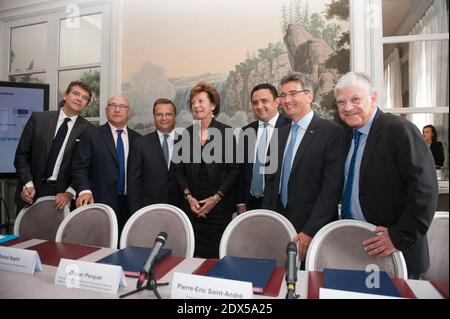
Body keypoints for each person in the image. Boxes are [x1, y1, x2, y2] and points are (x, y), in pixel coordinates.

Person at [335, 71, 438, 278]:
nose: (347, 107)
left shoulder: (399, 130)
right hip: (358, 247)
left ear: (373, 98)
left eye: (355, 99)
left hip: (395, 249)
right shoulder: (347, 136)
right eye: (341, 102)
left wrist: (399, 237)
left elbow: (424, 190)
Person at [263, 72, 346, 262]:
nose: (287, 100)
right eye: (283, 95)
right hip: (281, 225)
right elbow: (271, 181)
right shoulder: (279, 134)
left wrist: (309, 231)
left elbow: (331, 190)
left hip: (314, 230)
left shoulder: (332, 132)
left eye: (293, 93)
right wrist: (270, 222)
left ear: (310, 96)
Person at [174, 82, 239, 259]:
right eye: (193, 102)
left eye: (201, 101)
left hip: (219, 210)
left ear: (213, 105)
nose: (196, 106)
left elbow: (234, 171)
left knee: (217, 260)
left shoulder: (226, 133)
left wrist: (217, 198)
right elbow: (178, 170)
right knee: (192, 259)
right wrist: (188, 197)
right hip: (193, 210)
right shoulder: (185, 134)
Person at [14, 80, 93, 210]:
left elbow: (86, 167)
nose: (79, 99)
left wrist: (69, 193)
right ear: (65, 95)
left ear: (86, 104)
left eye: (85, 98)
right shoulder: (38, 119)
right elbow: (21, 156)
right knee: (25, 230)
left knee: (59, 231)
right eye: (76, 94)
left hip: (62, 197)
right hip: (30, 191)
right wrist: (27, 183)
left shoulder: (89, 130)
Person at [71, 96, 141, 235]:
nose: (117, 109)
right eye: (112, 105)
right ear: (106, 110)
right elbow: (79, 167)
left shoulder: (138, 139)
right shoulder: (91, 134)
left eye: (122, 106)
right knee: (101, 244)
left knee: (126, 243)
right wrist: (84, 191)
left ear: (129, 112)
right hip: (100, 201)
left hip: (130, 204)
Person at [236, 83, 289, 214]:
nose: (259, 106)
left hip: (279, 204)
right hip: (250, 203)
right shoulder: (246, 131)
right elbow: (241, 170)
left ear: (276, 101)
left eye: (264, 101)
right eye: (255, 102)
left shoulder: (289, 128)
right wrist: (240, 201)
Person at [128, 98, 182, 214]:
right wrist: (136, 214)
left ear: (174, 117)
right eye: (159, 114)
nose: (164, 118)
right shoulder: (140, 144)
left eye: (168, 114)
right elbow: (133, 183)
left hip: (180, 210)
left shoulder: (186, 143)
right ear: (154, 117)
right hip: (148, 210)